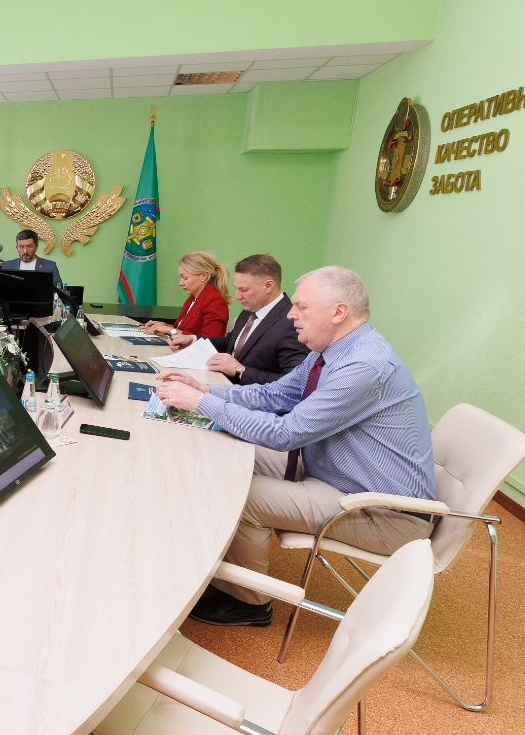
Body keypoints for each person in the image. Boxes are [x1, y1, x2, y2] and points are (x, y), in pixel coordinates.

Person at [157, 266, 436, 626]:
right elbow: (275, 394)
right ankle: (206, 558)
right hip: (331, 469)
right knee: (221, 448)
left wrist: (201, 403)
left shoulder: (364, 365)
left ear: (338, 312)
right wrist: (207, 390)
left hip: (380, 512)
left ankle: (250, 603)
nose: (290, 314)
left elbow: (286, 433)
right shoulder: (329, 352)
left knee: (242, 495)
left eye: (301, 307)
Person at [168, 254, 308, 384]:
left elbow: (293, 383)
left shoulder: (292, 323)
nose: (237, 296)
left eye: (244, 290)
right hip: (221, 384)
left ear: (268, 286)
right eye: (237, 289)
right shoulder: (251, 308)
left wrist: (240, 370)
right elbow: (230, 343)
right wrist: (192, 340)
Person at [142, 250, 229, 339]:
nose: (180, 283)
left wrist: (170, 330)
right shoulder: (193, 297)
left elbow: (210, 341)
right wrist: (164, 326)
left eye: (185, 278)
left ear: (203, 276)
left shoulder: (215, 301)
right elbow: (185, 330)